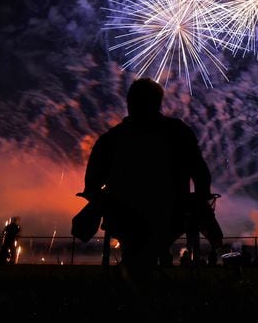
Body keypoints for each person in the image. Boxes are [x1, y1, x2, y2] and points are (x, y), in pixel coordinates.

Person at [79, 77, 217, 272]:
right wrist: (199, 201)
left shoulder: (111, 139)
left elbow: (92, 184)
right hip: (172, 215)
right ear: (158, 103)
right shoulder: (179, 132)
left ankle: (136, 270)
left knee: (135, 249)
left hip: (123, 217)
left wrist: (102, 202)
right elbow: (201, 174)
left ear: (129, 103)